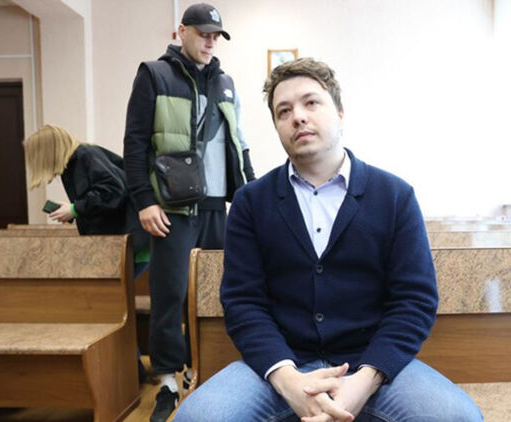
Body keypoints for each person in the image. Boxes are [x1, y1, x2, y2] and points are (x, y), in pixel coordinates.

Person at [174, 58, 482, 421]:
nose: (298, 117)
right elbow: (243, 302)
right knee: (195, 418)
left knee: (458, 417)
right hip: (281, 366)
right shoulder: (250, 202)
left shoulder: (395, 196)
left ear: (339, 111)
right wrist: (287, 379)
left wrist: (365, 381)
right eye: (284, 111)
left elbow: (414, 300)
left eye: (311, 103)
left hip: (372, 366)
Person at [122, 3, 255, 421]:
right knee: (170, 295)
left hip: (217, 207)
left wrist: (252, 196)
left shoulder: (226, 83)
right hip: (171, 208)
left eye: (216, 36)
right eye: (203, 33)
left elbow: (239, 143)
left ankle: (206, 370)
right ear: (182, 31)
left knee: (218, 295)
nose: (210, 42)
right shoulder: (154, 74)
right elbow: (134, 143)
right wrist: (145, 200)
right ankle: (166, 379)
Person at [22, 124, 150, 381]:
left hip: (130, 244)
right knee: (112, 307)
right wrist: (73, 210)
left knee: (111, 308)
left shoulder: (83, 156)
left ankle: (132, 373)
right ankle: (133, 372)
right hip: (125, 243)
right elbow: (106, 196)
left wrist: (76, 209)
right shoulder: (77, 161)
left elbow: (114, 191)